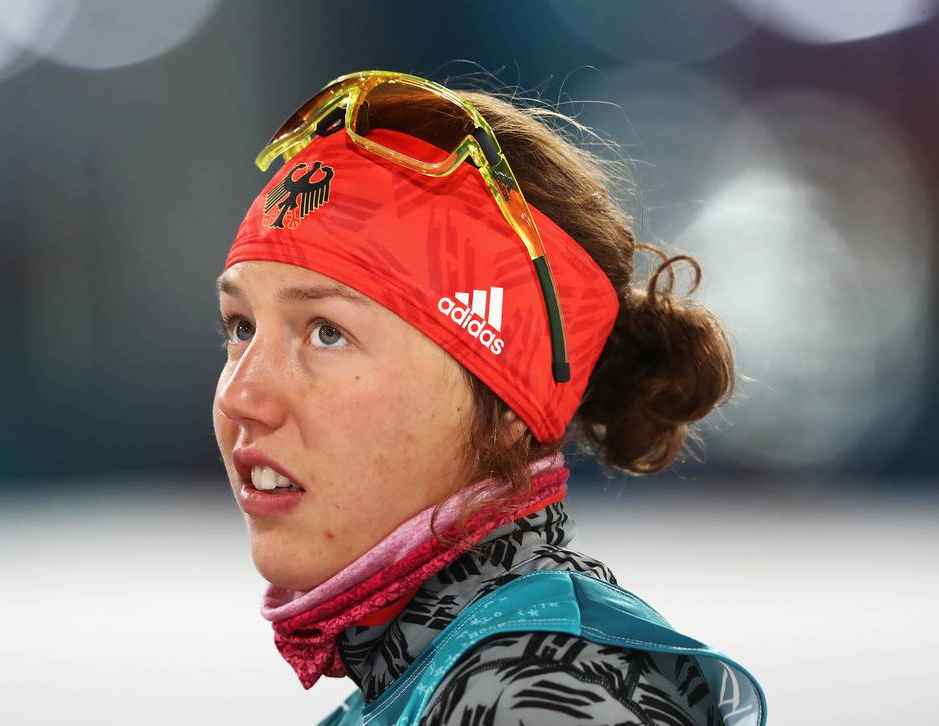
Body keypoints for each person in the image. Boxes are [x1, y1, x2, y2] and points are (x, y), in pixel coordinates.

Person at [212, 70, 767, 725]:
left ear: (506, 407)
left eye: (327, 333)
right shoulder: (447, 678)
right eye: (240, 328)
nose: (242, 395)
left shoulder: (542, 690)